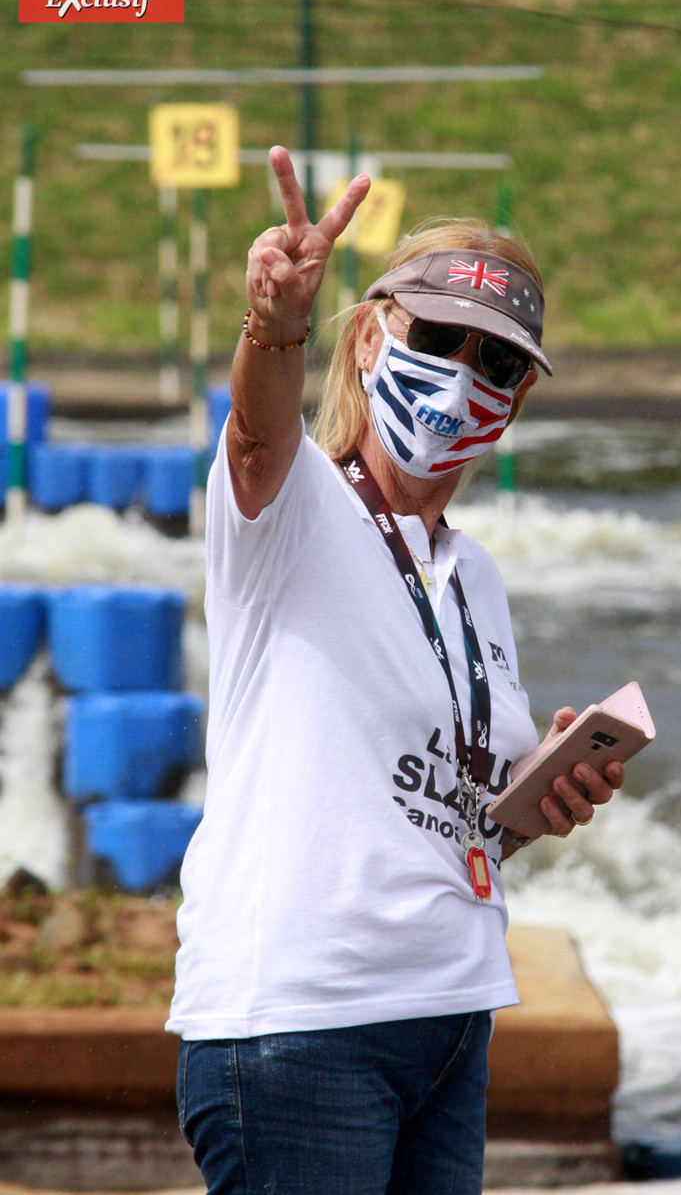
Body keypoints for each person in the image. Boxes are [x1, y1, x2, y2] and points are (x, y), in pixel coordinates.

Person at [167, 145, 624, 1195]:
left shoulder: (479, 576)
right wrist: (275, 318)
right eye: (441, 339)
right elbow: (252, 436)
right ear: (371, 332)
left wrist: (546, 791)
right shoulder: (292, 508)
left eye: (499, 363)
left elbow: (460, 812)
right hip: (301, 1026)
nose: (465, 377)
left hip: (450, 1015)